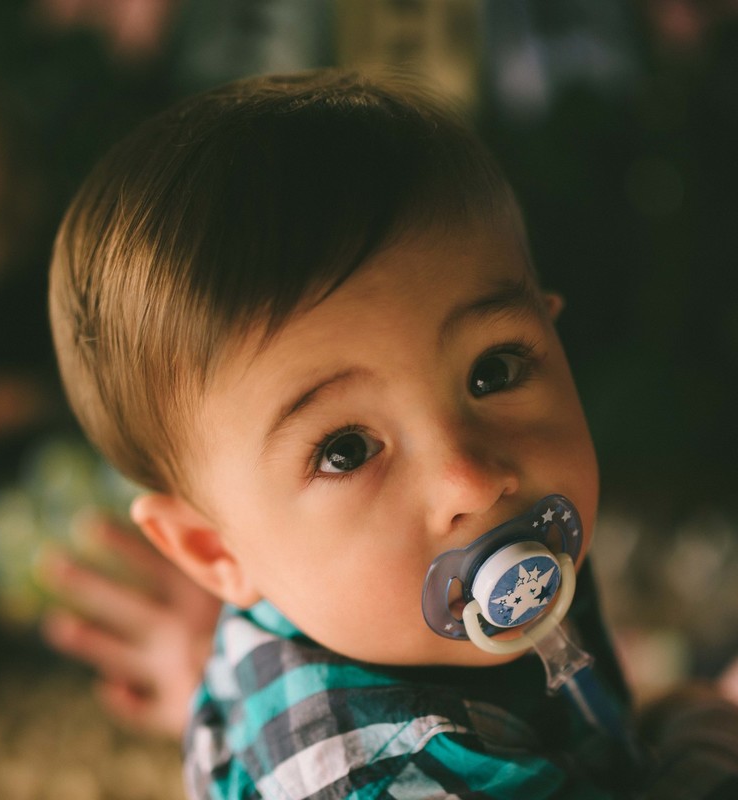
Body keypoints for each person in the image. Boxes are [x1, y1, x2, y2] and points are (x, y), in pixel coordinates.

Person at [45, 69, 738, 798]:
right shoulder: (381, 777)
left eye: (493, 371)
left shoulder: (449, 587)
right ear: (216, 550)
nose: (471, 480)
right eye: (345, 451)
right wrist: (706, 732)